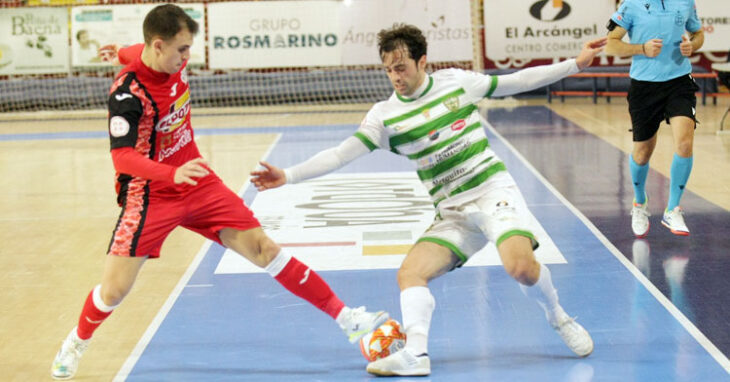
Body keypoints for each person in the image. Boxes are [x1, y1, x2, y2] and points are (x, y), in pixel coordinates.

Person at [50, 5, 388, 380]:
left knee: (265, 249)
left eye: (189, 48)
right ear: (159, 46)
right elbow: (123, 158)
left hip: (196, 181)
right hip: (150, 196)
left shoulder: (165, 60)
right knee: (114, 291)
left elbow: (137, 52)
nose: (187, 57)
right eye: (181, 49)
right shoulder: (127, 94)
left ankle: (348, 319)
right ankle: (76, 342)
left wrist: (122, 49)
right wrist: (170, 172)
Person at [251, 24, 605, 376]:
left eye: (401, 67)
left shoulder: (455, 83)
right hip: (453, 214)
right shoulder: (385, 116)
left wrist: (574, 64)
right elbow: (342, 154)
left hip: (493, 192)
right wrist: (289, 176)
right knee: (409, 274)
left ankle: (558, 317)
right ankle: (416, 356)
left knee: (522, 269)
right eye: (389, 69)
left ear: (422, 62)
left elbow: (514, 82)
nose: (395, 77)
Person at [605, 0, 704, 237]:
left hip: (679, 82)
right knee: (642, 153)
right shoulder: (631, 5)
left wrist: (693, 45)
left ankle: (673, 208)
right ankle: (639, 204)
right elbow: (611, 45)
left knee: (684, 143)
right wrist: (641, 49)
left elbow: (698, 33)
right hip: (644, 87)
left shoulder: (685, 2)